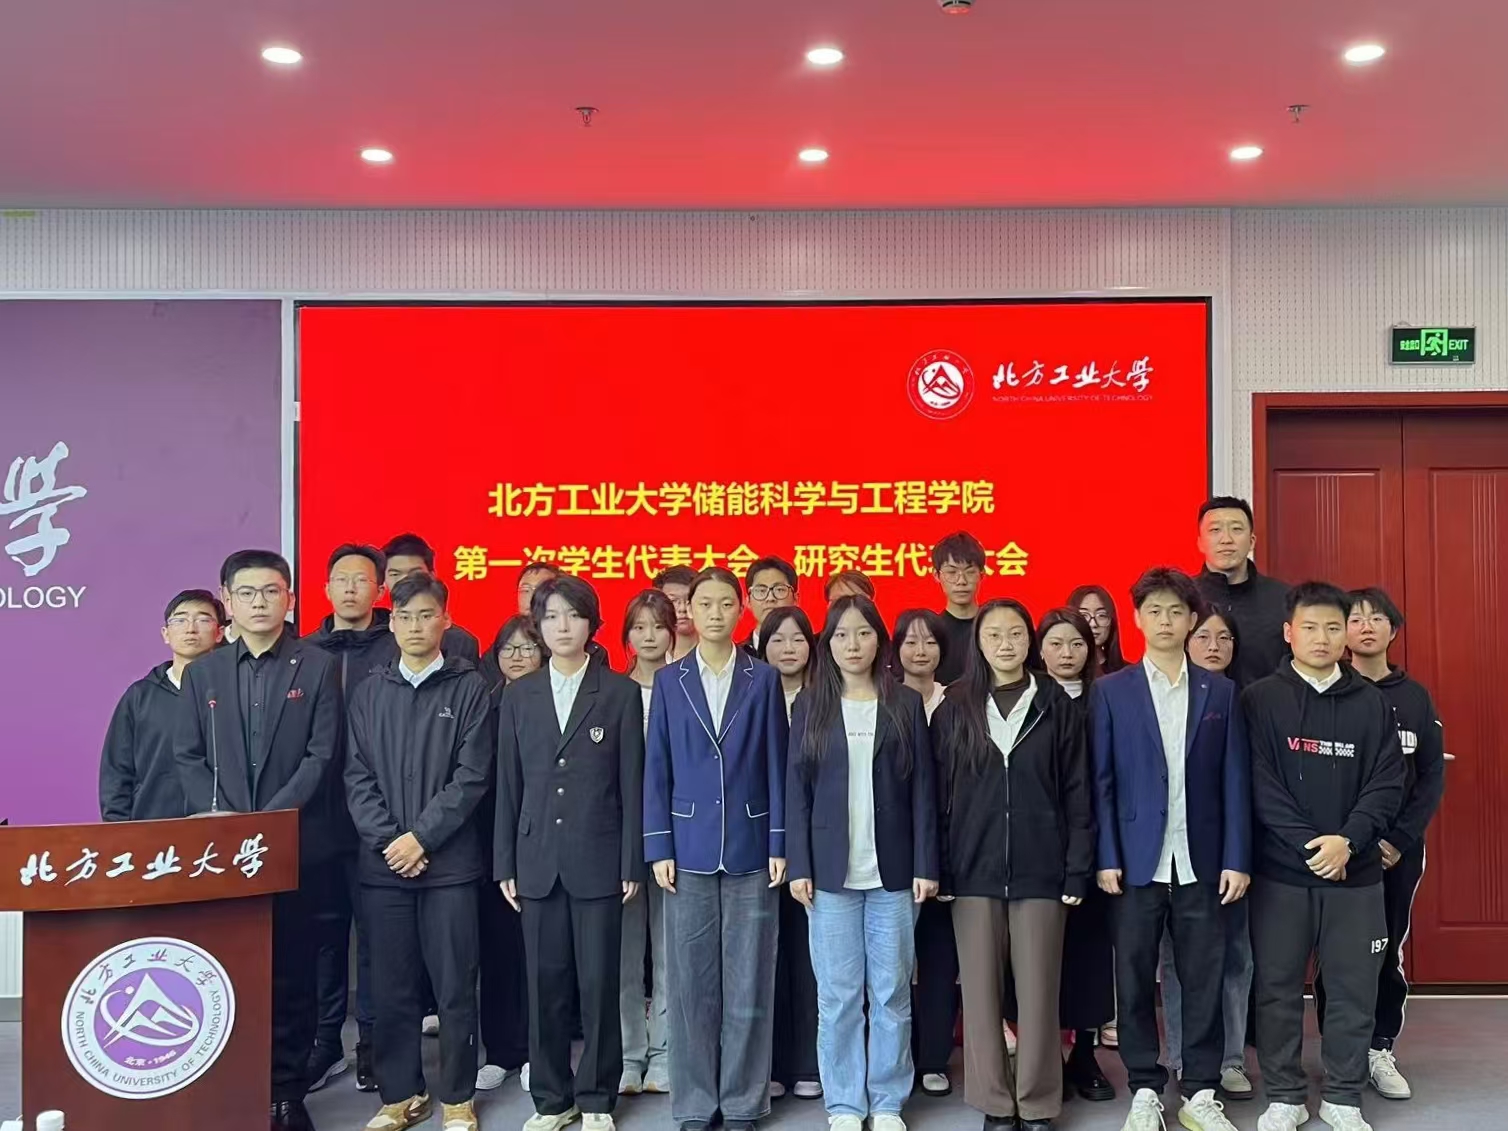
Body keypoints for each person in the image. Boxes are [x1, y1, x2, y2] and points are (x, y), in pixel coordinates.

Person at [174, 550, 343, 1131]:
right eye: (246, 593)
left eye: (271, 591)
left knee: (293, 973)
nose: (259, 602)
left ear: (290, 598)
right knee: (229, 972)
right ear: (227, 600)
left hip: (293, 843)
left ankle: (286, 1093)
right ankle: (234, 1089)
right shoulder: (205, 672)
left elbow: (322, 754)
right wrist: (225, 820)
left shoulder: (317, 666)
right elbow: (187, 756)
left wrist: (267, 822)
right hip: (222, 849)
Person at [1091, 569, 1250, 1131]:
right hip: (1135, 861)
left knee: (1203, 975)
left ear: (1191, 620)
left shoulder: (1220, 692)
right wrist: (1106, 855)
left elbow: (1235, 780)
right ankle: (1144, 1086)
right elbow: (1102, 782)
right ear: (1137, 619)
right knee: (1134, 977)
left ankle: (1201, 1088)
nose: (1165, 621)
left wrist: (1236, 858)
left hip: (1202, 860)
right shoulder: (1111, 691)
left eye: (1176, 611)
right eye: (1154, 611)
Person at [1243, 582, 1405, 1131]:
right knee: (1277, 989)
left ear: (1346, 637)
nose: (1322, 637)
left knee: (1353, 990)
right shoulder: (1260, 699)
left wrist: (1347, 842)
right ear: (1289, 633)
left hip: (1354, 877)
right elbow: (1259, 783)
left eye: (1333, 628)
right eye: (1310, 627)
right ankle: (1285, 1095)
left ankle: (1342, 1096)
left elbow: (1387, 783)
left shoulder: (1372, 702)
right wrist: (1310, 845)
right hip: (1281, 875)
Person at [932, 598, 1093, 1131]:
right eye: (994, 634)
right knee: (980, 995)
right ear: (978, 643)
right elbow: (939, 796)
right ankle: (995, 1103)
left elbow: (1078, 792)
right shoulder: (956, 705)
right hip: (972, 870)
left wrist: (1076, 867)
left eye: (1016, 633)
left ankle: (1039, 1101)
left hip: (1042, 870)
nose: (1006, 643)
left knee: (1039, 992)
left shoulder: (1054, 704)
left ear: (1031, 641)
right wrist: (943, 867)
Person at [496, 575, 645, 1131]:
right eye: (552, 616)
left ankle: (599, 1098)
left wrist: (631, 861)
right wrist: (505, 861)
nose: (563, 626)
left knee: (599, 985)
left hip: (600, 860)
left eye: (574, 615)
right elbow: (508, 785)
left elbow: (631, 784)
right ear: (538, 626)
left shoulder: (619, 692)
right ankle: (552, 1100)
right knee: (544, 986)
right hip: (536, 860)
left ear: (592, 625)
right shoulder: (519, 694)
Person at [345, 575, 493, 1131]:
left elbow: (472, 777)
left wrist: (422, 838)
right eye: (404, 616)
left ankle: (457, 1096)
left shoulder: (469, 687)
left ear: (445, 621)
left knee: (455, 986)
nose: (414, 626)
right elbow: (356, 776)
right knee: (391, 988)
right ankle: (401, 1095)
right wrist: (392, 842)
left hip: (449, 866)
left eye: (426, 615)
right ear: (392, 622)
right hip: (384, 866)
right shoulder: (370, 690)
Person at [643, 566, 789, 1131]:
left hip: (753, 845)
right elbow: (657, 767)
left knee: (749, 980)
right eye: (704, 604)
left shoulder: (763, 678)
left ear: (740, 609)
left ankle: (745, 1101)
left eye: (726, 603)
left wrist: (779, 841)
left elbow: (777, 762)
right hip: (686, 849)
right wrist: (659, 846)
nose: (715, 613)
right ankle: (696, 1102)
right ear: (691, 611)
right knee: (690, 984)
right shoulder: (670, 680)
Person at [786, 595, 939, 1131]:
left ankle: (888, 1101)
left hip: (894, 873)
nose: (853, 645)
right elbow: (796, 793)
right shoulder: (810, 705)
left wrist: (926, 863)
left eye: (864, 633)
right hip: (829, 875)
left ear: (880, 640)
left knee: (892, 993)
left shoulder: (904, 704)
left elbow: (923, 790)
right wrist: (799, 865)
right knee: (838, 997)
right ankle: (846, 1104)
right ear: (828, 644)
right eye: (842, 635)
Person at [1310, 587, 1444, 1102]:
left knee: (1384, 949)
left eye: (1376, 619)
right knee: (1336, 954)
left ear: (1393, 630)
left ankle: (1379, 1047)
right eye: (1355, 619)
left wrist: (1397, 839)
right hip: (1340, 852)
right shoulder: (1329, 691)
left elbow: (1430, 777)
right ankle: (1339, 1049)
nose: (1365, 627)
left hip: (1396, 853)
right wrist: (1346, 840)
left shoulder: (1415, 698)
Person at [1159, 604, 1256, 1101]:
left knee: (1236, 957)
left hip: (1226, 857)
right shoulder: (1157, 696)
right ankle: (1181, 1056)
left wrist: (1238, 856)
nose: (1214, 646)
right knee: (1178, 962)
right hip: (1169, 857)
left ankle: (1231, 1058)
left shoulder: (1242, 698)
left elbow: (1241, 784)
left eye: (1224, 638)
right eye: (1204, 636)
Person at [1034, 608, 1115, 1103]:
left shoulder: (1106, 698)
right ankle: (1042, 1057)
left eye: (1077, 644)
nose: (1067, 654)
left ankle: (1084, 1055)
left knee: (1088, 955)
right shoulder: (1028, 698)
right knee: (1039, 959)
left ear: (1093, 649)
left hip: (1096, 846)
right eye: (1057, 643)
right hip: (1039, 847)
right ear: (1039, 649)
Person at [475, 613, 543, 1095]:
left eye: (527, 647)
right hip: (490, 846)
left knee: (540, 957)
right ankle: (501, 1052)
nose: (517, 656)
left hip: (543, 845)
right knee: (497, 953)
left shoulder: (556, 704)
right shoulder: (485, 704)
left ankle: (539, 1052)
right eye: (508, 648)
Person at [890, 608, 956, 1097]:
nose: (920, 651)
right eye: (910, 642)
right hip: (895, 850)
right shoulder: (882, 702)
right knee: (892, 966)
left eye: (929, 642)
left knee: (939, 960)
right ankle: (896, 1059)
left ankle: (933, 1057)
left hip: (950, 850)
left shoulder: (960, 702)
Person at [758, 605, 823, 1101]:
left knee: (809, 958)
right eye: (777, 639)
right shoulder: (749, 696)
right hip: (758, 848)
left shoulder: (825, 699)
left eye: (797, 639)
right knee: (768, 960)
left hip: (815, 849)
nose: (787, 649)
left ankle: (808, 1063)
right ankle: (772, 1065)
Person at [618, 589, 677, 1097]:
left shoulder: (684, 688)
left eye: (658, 626)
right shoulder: (612, 691)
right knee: (623, 953)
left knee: (669, 952)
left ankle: (665, 1053)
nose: (649, 636)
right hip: (620, 838)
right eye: (639, 627)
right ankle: (628, 1054)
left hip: (676, 837)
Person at [100, 589, 225, 822]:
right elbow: (117, 771)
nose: (191, 628)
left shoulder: (232, 692)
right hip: (152, 825)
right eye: (180, 620)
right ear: (165, 634)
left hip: (219, 825)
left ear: (219, 633)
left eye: (202, 619)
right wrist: (119, 830)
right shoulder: (140, 696)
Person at [1194, 497, 1290, 688]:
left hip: (1266, 706)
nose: (1226, 539)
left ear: (1252, 541)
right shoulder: (1183, 597)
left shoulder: (1284, 598)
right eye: (1215, 530)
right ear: (1200, 543)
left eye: (1236, 529)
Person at [382, 532, 483, 664]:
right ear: (383, 580)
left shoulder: (461, 642)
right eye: (395, 574)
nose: (405, 580)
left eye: (415, 573)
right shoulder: (375, 638)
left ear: (432, 575)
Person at [931, 531, 987, 684]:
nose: (961, 581)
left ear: (982, 574)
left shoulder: (994, 627)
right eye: (951, 572)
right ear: (936, 575)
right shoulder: (931, 633)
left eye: (970, 572)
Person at [742, 555, 798, 656]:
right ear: (748, 601)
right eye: (761, 591)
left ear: (795, 599)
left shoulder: (815, 653)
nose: (770, 598)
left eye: (779, 590)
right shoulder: (735, 656)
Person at [1068, 585, 1127, 675]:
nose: (1093, 624)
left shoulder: (1128, 673)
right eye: (1084, 615)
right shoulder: (1059, 672)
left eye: (1101, 615)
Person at [654, 565, 699, 661]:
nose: (682, 608)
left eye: (689, 600)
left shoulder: (719, 657)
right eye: (673, 600)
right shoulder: (647, 661)